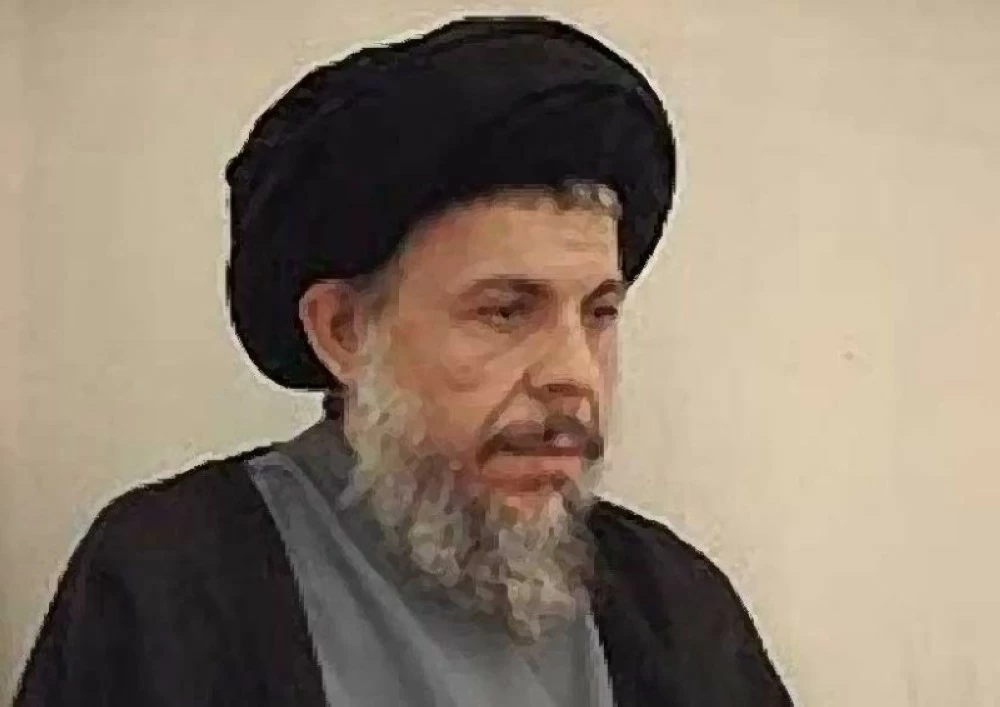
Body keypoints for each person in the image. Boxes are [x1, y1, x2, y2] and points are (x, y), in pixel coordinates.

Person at [15, 15, 793, 707]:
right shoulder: (173, 581)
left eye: (599, 313)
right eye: (506, 310)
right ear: (345, 331)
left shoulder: (675, 609)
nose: (577, 374)